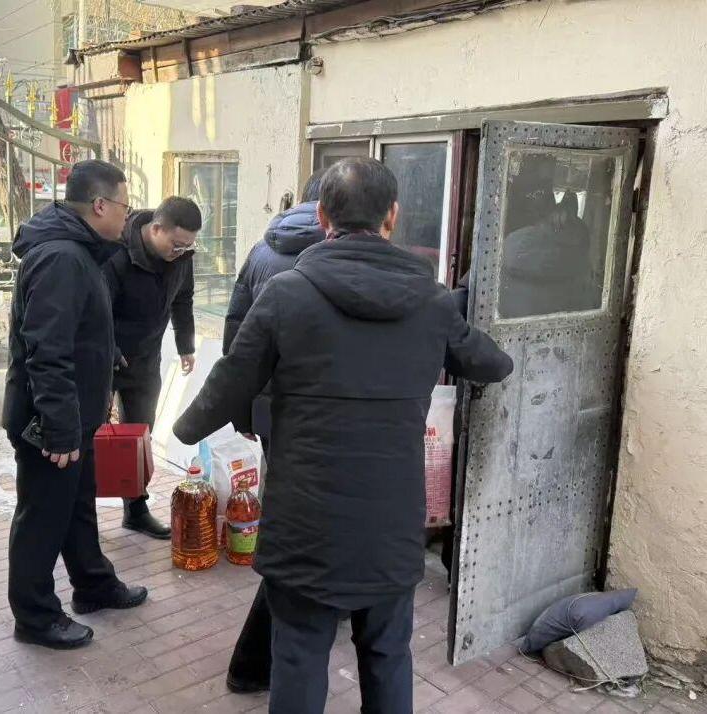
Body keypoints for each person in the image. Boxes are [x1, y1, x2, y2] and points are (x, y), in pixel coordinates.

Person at [173, 157, 513, 713]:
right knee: (387, 654)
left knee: (299, 655)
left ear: (323, 217)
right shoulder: (431, 303)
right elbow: (492, 364)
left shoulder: (286, 294)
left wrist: (186, 429)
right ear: (392, 217)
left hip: (305, 520)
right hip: (390, 522)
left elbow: (231, 381)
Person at [4, 159, 148, 650]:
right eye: (125, 206)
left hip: (72, 414)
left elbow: (77, 329)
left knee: (76, 506)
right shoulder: (62, 257)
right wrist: (60, 428)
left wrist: (108, 354)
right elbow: (47, 350)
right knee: (42, 518)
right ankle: (35, 616)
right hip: (49, 421)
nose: (129, 216)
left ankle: (94, 584)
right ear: (100, 205)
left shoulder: (80, 251)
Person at [221, 169, 327, 693]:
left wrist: (243, 407)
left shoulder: (264, 250)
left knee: (287, 505)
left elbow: (235, 327)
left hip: (271, 406)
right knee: (308, 524)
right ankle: (261, 652)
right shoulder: (337, 255)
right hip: (321, 414)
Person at [103, 196, 203, 539]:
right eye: (176, 244)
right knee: (93, 438)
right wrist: (111, 354)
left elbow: (183, 299)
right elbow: (98, 311)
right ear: (156, 228)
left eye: (188, 245)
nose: (181, 251)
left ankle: (135, 510)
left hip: (145, 361)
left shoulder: (182, 256)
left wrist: (186, 345)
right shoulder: (117, 253)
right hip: (105, 358)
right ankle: (79, 516)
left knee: (138, 437)